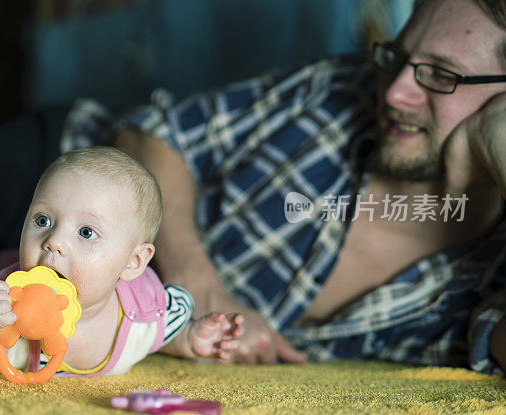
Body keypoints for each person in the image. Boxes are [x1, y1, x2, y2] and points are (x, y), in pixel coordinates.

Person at [32, 0, 506, 375]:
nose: (394, 91)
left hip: (88, 322)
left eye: (443, 75)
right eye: (398, 58)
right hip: (55, 172)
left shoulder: (492, 266)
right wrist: (199, 285)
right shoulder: (345, 88)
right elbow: (148, 135)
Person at [0, 147, 243, 379]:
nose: (54, 241)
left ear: (133, 262)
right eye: (43, 220)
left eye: (87, 232)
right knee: (0, 264)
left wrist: (189, 339)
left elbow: (154, 338)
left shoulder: (145, 310)